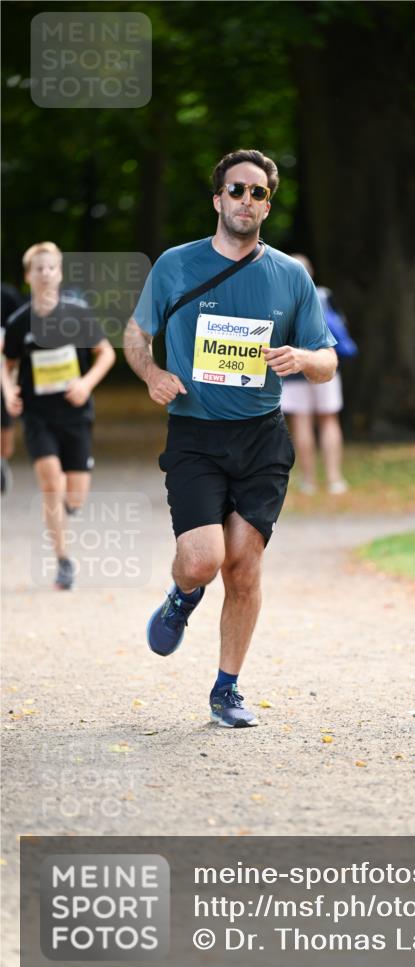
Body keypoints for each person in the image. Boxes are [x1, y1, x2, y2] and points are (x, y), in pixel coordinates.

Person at [123, 149, 337, 729]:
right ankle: (181, 596)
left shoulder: (290, 275)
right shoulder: (176, 264)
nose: (246, 200)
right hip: (195, 435)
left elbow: (327, 361)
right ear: (218, 199)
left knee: (242, 568)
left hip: (262, 439)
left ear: (267, 205)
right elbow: (137, 333)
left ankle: (227, 689)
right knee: (202, 561)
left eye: (257, 192)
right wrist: (152, 373)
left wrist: (303, 359)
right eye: (236, 190)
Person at [2, 243, 116, 588]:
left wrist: (86, 383)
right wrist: (9, 391)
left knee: (74, 495)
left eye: (51, 267)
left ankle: (66, 510)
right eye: (38, 268)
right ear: (28, 276)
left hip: (76, 414)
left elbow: (106, 354)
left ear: (60, 273)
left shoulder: (77, 314)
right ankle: (64, 561)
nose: (45, 273)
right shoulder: (19, 322)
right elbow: (6, 363)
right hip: (38, 415)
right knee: (51, 482)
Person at [281, 254, 348, 494]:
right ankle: (334, 479)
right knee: (329, 420)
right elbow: (340, 325)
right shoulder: (323, 295)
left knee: (301, 422)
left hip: (292, 369)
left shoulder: (280, 299)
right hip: (323, 364)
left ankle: (308, 481)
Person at [1, 283, 25, 493]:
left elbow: (22, 328)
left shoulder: (8, 296)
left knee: (5, 429)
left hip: (4, 373)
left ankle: (2, 460)